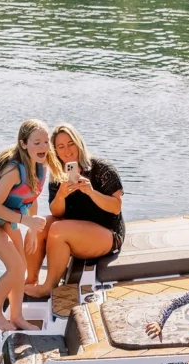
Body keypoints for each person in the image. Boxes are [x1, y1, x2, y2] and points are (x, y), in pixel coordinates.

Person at [0, 119, 61, 331]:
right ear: (23, 144)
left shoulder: (40, 166)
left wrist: (32, 230)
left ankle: (17, 316)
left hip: (9, 218)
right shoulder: (13, 170)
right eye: (36, 143)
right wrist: (26, 221)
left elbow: (31, 198)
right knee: (16, 267)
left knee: (20, 268)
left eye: (46, 141)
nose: (43, 147)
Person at [24, 123, 125, 297]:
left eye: (71, 144)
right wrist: (61, 195)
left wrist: (91, 192)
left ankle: (48, 287)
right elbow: (56, 213)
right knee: (38, 226)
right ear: (55, 151)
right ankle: (30, 280)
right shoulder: (57, 173)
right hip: (75, 230)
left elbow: (116, 207)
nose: (67, 150)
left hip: (107, 233)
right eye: (61, 146)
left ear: (79, 143)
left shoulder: (101, 169)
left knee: (58, 230)